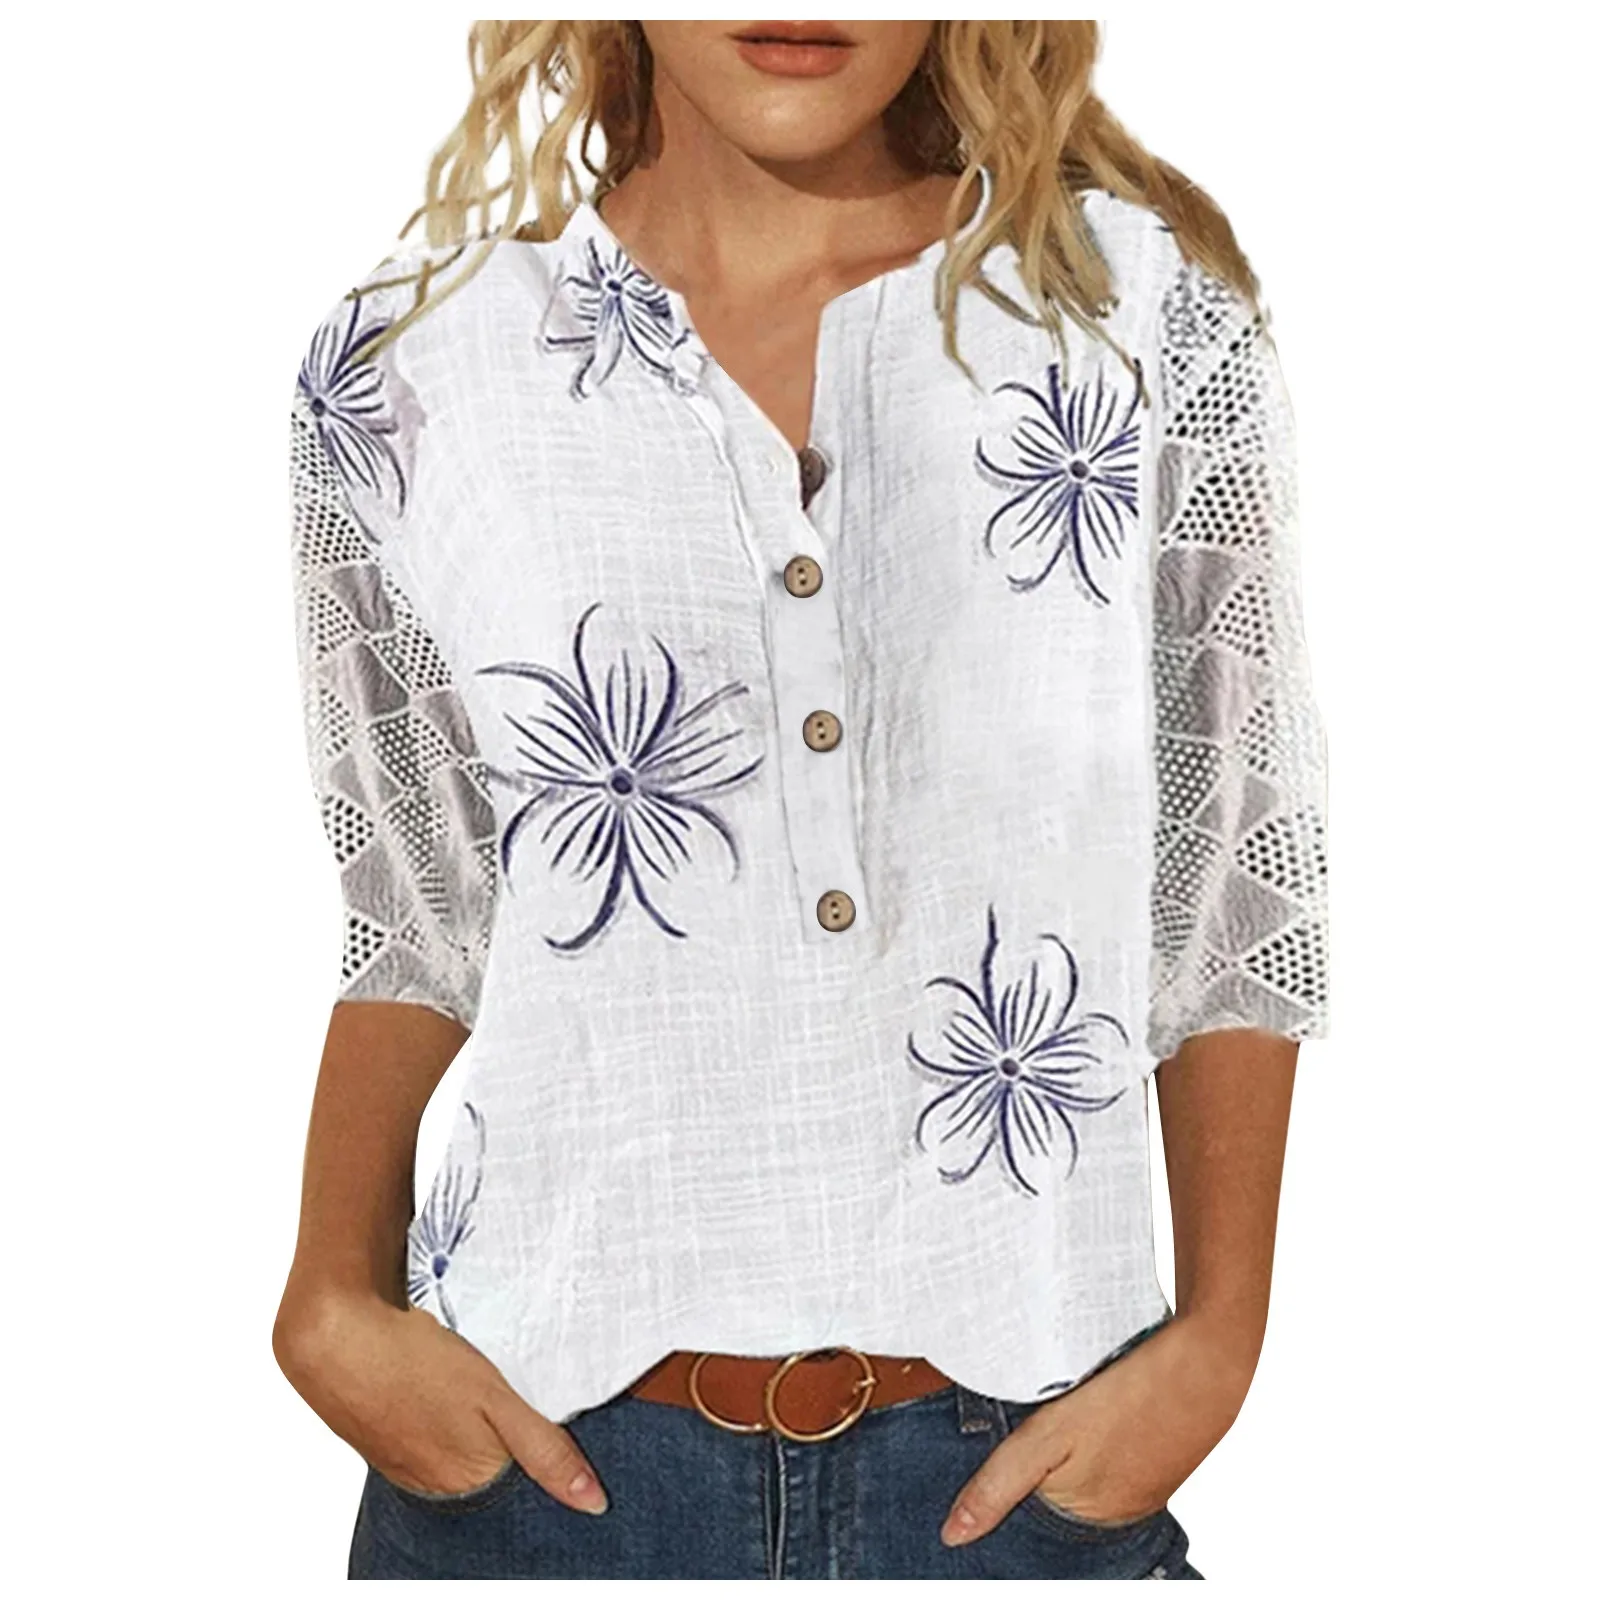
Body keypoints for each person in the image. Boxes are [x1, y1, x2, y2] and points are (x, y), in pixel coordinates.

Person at [274, 19, 1329, 1581]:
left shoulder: (1131, 317)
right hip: (543, 1474)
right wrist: (328, 1296)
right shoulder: (411, 369)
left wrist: (1223, 1336)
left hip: (1024, 1465)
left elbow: (1233, 868)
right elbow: (420, 908)